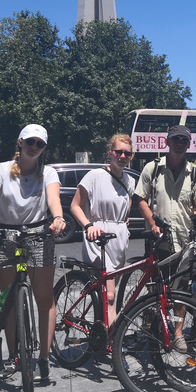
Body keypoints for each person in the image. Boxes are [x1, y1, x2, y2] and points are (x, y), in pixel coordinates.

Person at [0, 124, 66, 383]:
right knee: (10, 300)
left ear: (44, 148)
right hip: (5, 237)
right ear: (20, 143)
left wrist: (58, 217)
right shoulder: (1, 170)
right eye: (30, 142)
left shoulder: (48, 172)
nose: (34, 147)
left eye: (40, 144)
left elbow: (54, 200)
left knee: (44, 300)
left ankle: (44, 359)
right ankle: (15, 356)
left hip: (38, 237)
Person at [134, 125, 196, 352]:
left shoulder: (195, 172)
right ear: (167, 142)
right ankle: (154, 328)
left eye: (184, 140)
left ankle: (177, 333)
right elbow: (140, 199)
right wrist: (153, 221)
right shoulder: (153, 168)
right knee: (156, 289)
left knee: (182, 290)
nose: (179, 143)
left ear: (188, 144)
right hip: (159, 240)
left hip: (184, 240)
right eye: (176, 139)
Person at [71, 134, 135, 326]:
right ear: (110, 153)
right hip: (98, 235)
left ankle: (101, 329)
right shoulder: (94, 176)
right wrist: (88, 225)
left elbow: (127, 206)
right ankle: (111, 338)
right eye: (118, 152)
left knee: (108, 291)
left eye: (127, 153)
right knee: (109, 295)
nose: (122, 156)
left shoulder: (130, 181)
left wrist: (122, 222)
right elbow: (75, 205)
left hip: (119, 237)